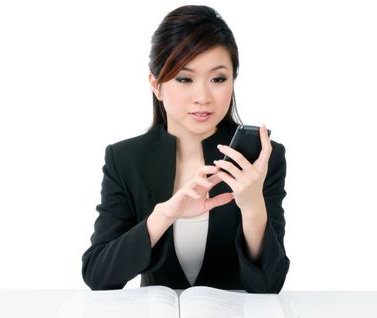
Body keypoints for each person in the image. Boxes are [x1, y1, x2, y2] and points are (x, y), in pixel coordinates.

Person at [82, 5, 289, 293]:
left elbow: (269, 286)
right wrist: (164, 215)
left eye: (218, 79)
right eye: (184, 79)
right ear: (156, 85)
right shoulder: (125, 159)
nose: (203, 97)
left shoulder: (261, 158)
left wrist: (253, 205)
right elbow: (98, 275)